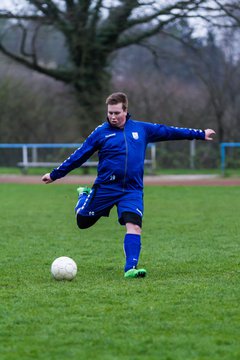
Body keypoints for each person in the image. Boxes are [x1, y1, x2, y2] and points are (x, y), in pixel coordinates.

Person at [42, 92, 215, 279]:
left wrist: (200, 134)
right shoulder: (101, 132)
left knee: (134, 226)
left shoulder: (141, 129)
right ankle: (84, 195)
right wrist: (55, 174)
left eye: (116, 113)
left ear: (126, 110)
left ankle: (130, 268)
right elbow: (79, 155)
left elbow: (169, 131)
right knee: (82, 222)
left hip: (132, 190)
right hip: (106, 188)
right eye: (110, 113)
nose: (113, 117)